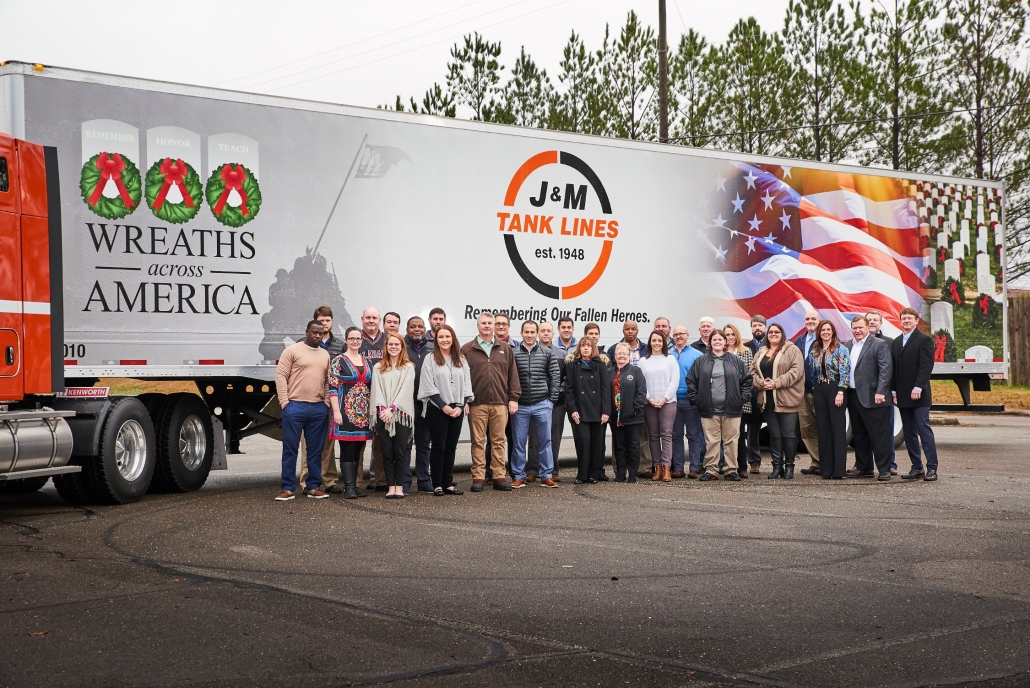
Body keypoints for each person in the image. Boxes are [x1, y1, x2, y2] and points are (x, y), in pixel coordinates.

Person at [461, 313, 519, 492]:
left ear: (494, 326)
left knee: (498, 441)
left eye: (489, 323)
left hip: (500, 403)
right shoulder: (467, 349)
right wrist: (464, 401)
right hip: (476, 403)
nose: (487, 326)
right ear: (478, 326)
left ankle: (499, 476)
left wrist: (514, 398)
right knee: (477, 441)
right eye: (483, 323)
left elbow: (512, 374)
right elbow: (462, 377)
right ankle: (478, 476)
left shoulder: (505, 348)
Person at [275, 320, 332, 500]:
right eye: (314, 332)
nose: (317, 335)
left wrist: (326, 403)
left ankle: (313, 487)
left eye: (320, 333)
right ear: (307, 332)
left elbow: (327, 381)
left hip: (318, 408)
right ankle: (288, 488)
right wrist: (285, 403)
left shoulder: (325, 354)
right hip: (295, 406)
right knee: (290, 449)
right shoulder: (292, 350)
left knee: (315, 450)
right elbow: (281, 376)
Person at [686, 330, 752, 482]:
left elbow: (747, 381)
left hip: (732, 409)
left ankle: (731, 470)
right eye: (714, 340)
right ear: (710, 343)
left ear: (725, 342)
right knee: (712, 441)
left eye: (720, 339)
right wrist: (697, 399)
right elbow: (691, 380)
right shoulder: (701, 361)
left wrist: (741, 398)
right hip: (708, 410)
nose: (717, 342)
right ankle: (711, 470)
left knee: (731, 441)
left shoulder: (735, 361)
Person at [418, 324, 472, 496]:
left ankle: (448, 483)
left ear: (453, 338)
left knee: (451, 447)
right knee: (438, 447)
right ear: (436, 339)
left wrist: (461, 406)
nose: (444, 340)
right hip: (437, 409)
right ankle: (438, 484)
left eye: (447, 337)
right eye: (441, 337)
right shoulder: (430, 358)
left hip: (457, 409)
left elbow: (467, 385)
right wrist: (444, 406)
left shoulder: (461, 359)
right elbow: (428, 385)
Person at [298, 306, 345, 494]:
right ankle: (306, 481)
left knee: (328, 443)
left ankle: (330, 480)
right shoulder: (302, 344)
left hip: (330, 400)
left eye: (327, 320)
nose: (324, 324)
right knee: (308, 444)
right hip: (308, 399)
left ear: (332, 322)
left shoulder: (340, 345)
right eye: (321, 321)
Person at [510, 321, 561, 488]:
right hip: (521, 406)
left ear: (537, 333)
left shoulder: (547, 353)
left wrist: (551, 401)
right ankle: (519, 475)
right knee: (519, 442)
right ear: (521, 333)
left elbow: (555, 376)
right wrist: (513, 399)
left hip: (542, 404)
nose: (529, 335)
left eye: (532, 332)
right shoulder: (514, 353)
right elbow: (508, 378)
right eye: (527, 332)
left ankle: (546, 475)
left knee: (545, 441)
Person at [751, 323, 805, 479]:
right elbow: (752, 372)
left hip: (787, 399)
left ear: (782, 334)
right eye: (771, 332)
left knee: (788, 435)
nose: (773, 334)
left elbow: (796, 371)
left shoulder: (792, 350)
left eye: (777, 332)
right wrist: (762, 384)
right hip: (768, 400)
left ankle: (789, 467)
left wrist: (777, 382)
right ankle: (777, 467)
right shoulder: (762, 351)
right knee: (775, 435)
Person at [891, 307, 939, 481]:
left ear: (916, 320)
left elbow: (926, 366)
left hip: (919, 395)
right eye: (904, 318)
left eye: (910, 318)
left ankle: (932, 468)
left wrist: (918, 387)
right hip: (903, 396)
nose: (906, 321)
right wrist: (894, 391)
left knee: (923, 430)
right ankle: (916, 467)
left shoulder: (924, 340)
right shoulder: (896, 342)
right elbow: (894, 370)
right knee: (909, 433)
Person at [845, 316, 894, 481]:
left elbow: (885, 369)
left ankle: (884, 469)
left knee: (879, 435)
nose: (857, 331)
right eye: (854, 328)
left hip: (874, 397)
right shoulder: (848, 345)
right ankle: (864, 467)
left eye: (860, 328)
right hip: (853, 396)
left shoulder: (879, 344)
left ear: (867, 328)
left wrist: (881, 391)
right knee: (859, 435)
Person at [328, 327, 373, 499]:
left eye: (358, 338)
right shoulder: (338, 361)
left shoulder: (367, 361)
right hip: (345, 413)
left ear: (362, 340)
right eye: (351, 338)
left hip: (362, 415)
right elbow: (332, 387)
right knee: (347, 449)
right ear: (346, 340)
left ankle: (354, 485)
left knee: (358, 450)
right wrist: (336, 411)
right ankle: (348, 487)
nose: (355, 341)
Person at [370, 333, 415, 499]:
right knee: (387, 453)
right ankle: (390, 487)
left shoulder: (408, 367)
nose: (394, 347)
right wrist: (383, 410)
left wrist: (392, 409)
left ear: (402, 347)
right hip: (383, 416)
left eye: (397, 344)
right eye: (391, 344)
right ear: (386, 347)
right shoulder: (378, 367)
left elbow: (405, 391)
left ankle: (399, 486)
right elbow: (376, 390)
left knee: (400, 452)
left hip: (401, 415)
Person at [564, 337, 611, 484]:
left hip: (598, 411)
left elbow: (605, 390)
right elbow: (569, 390)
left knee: (596, 444)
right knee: (583, 442)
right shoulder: (573, 365)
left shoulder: (600, 365)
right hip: (580, 411)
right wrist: (572, 410)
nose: (585, 348)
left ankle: (592, 474)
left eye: (588, 346)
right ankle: (582, 474)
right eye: (583, 346)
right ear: (579, 348)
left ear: (593, 349)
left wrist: (605, 411)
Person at [808, 320, 850, 479]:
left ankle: (839, 471)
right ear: (819, 332)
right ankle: (826, 470)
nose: (825, 332)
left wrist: (841, 391)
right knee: (823, 429)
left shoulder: (841, 349)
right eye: (823, 330)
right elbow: (812, 372)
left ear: (833, 332)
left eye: (828, 330)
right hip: (819, 389)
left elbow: (845, 371)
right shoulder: (815, 351)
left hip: (835, 389)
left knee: (837, 430)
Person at [607, 320, 649, 480]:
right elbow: (606, 393)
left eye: (624, 354)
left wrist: (635, 409)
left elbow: (641, 392)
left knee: (633, 446)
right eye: (619, 354)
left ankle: (632, 474)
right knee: (619, 446)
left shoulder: (636, 371)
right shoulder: (609, 372)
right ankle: (620, 473)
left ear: (629, 356)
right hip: (615, 416)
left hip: (633, 417)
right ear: (615, 356)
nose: (621, 356)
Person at [638, 331, 680, 482]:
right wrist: (648, 398)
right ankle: (658, 468)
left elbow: (674, 381)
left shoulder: (670, 359)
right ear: (649, 343)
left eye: (659, 341)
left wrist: (664, 398)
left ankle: (667, 468)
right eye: (653, 340)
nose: (656, 343)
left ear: (663, 342)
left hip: (667, 402)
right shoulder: (643, 361)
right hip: (649, 403)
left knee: (666, 434)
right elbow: (641, 383)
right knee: (653, 436)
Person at [527, 322, 566, 482]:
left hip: (556, 402)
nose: (545, 333)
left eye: (548, 331)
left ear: (553, 333)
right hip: (536, 401)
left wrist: (555, 395)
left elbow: (565, 378)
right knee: (534, 437)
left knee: (553, 437)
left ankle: (552, 470)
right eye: (542, 331)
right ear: (537, 333)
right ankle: (532, 470)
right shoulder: (531, 352)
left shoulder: (561, 354)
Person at [404, 317, 434, 493]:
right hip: (406, 403)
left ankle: (423, 480)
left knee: (424, 444)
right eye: (413, 326)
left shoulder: (432, 346)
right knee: (406, 444)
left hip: (426, 403)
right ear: (407, 329)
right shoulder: (401, 346)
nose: (417, 329)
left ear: (425, 328)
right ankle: (405, 481)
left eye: (420, 326)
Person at [867, 310, 898, 475]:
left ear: (880, 323)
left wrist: (892, 390)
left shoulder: (889, 343)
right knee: (865, 432)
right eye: (869, 320)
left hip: (883, 394)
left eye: (875, 320)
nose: (872, 322)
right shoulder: (856, 343)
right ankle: (864, 465)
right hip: (864, 395)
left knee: (886, 430)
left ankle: (890, 464)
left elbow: (891, 369)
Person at [670, 326, 703, 479]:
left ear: (687, 335)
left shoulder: (698, 355)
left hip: (691, 401)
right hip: (673, 401)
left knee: (693, 435)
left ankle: (694, 467)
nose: (678, 337)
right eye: (676, 334)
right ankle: (678, 468)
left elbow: (701, 379)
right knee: (676, 436)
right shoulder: (668, 354)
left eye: (681, 334)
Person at [358, 307, 385, 490]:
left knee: (380, 441)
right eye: (368, 317)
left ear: (379, 320)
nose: (371, 321)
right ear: (362, 319)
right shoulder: (356, 340)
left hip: (381, 396)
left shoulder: (387, 340)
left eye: (374, 318)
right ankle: (356, 480)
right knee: (358, 442)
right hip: (360, 397)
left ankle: (378, 478)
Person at [723, 324, 754, 478]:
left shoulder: (745, 352)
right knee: (724, 436)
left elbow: (748, 377)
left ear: (736, 336)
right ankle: (726, 466)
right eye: (726, 335)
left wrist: (741, 398)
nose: (729, 337)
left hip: (739, 403)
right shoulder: (718, 353)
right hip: (721, 402)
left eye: (732, 334)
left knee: (740, 436)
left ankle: (742, 467)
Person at [794, 310, 823, 476]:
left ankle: (826, 462)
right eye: (807, 319)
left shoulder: (824, 339)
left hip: (819, 391)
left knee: (823, 427)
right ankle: (816, 461)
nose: (810, 321)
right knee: (807, 429)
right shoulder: (800, 340)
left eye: (813, 318)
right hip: (802, 392)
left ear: (819, 321)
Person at [743, 315, 767, 469]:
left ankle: (781, 463)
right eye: (754, 326)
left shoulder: (772, 345)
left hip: (770, 392)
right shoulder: (745, 347)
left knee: (776, 429)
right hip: (752, 394)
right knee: (752, 429)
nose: (757, 328)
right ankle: (754, 462)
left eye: (760, 325)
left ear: (765, 327)